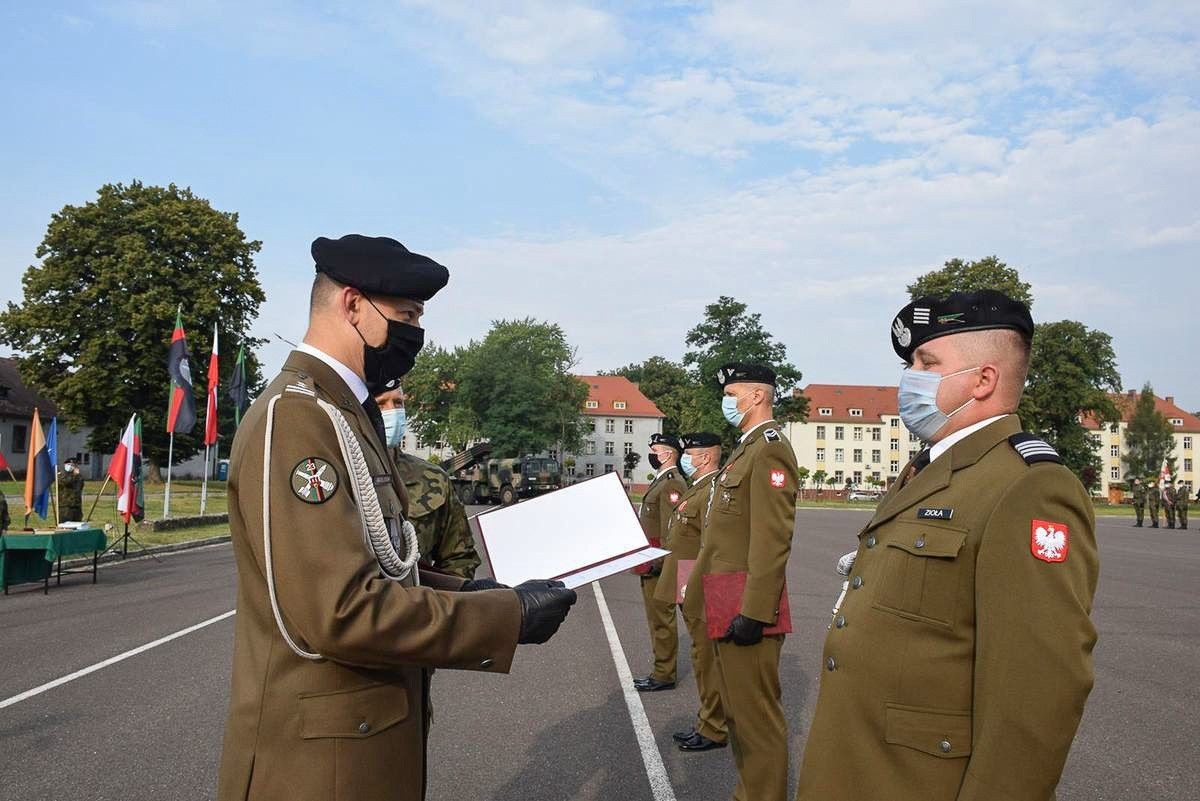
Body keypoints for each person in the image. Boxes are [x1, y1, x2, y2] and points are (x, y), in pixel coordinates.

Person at [218, 234, 577, 801]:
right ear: (352, 304)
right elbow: (340, 610)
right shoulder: (299, 418)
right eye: (406, 315)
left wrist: (469, 592)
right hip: (323, 765)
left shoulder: (341, 412)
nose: (415, 334)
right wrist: (504, 619)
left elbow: (382, 562)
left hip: (359, 741)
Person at [796, 290, 1100, 801]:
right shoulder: (930, 470)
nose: (908, 377)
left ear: (983, 380)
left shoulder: (1028, 486)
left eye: (926, 362)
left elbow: (1038, 693)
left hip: (918, 781)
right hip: (862, 764)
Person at [685, 363, 798, 801]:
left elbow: (772, 537)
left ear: (756, 397)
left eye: (732, 393)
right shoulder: (745, 449)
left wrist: (755, 610)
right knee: (736, 713)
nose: (726, 402)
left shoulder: (769, 449)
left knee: (756, 720)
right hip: (722, 596)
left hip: (744, 603)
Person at [655, 431, 728, 752]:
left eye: (690, 453)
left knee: (707, 657)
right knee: (701, 656)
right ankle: (708, 720)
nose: (684, 457)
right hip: (687, 577)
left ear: (706, 457)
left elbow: (710, 543)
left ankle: (714, 726)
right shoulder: (699, 488)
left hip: (699, 580)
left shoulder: (713, 489)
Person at [375, 386, 481, 579]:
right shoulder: (340, 472)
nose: (393, 412)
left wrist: (446, 603)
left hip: (421, 603)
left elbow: (459, 558)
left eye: (398, 403)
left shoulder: (432, 478)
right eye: (381, 404)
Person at [632, 432, 687, 692]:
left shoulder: (672, 484)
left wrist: (659, 561)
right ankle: (660, 669)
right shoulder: (661, 481)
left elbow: (670, 529)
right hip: (651, 560)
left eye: (655, 450)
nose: (652, 455)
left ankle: (664, 674)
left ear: (668, 454)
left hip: (660, 563)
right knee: (655, 618)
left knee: (662, 619)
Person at [59, 457, 84, 522]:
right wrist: (75, 475)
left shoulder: (78, 476)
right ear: (65, 465)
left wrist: (77, 476)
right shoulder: (61, 474)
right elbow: (65, 482)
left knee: (77, 526)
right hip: (65, 506)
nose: (72, 466)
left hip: (77, 506)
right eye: (70, 465)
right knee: (65, 526)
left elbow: (80, 486)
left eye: (74, 465)